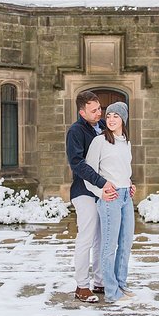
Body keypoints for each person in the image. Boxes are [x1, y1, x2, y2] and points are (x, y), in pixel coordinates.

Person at [67, 90, 118, 303]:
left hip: (103, 192)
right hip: (84, 192)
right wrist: (101, 182)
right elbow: (77, 163)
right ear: (82, 111)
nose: (99, 113)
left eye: (100, 109)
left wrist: (126, 183)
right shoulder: (76, 131)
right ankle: (81, 286)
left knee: (102, 238)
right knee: (86, 238)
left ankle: (100, 281)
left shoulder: (104, 129)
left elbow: (114, 159)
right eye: (94, 110)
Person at [85, 101, 136, 304]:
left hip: (126, 196)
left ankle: (121, 284)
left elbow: (123, 169)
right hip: (110, 197)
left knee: (126, 244)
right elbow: (88, 173)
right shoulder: (99, 141)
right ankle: (111, 291)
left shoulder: (126, 142)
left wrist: (130, 183)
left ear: (123, 118)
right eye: (109, 116)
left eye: (115, 115)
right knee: (109, 246)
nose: (111, 119)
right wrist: (100, 192)